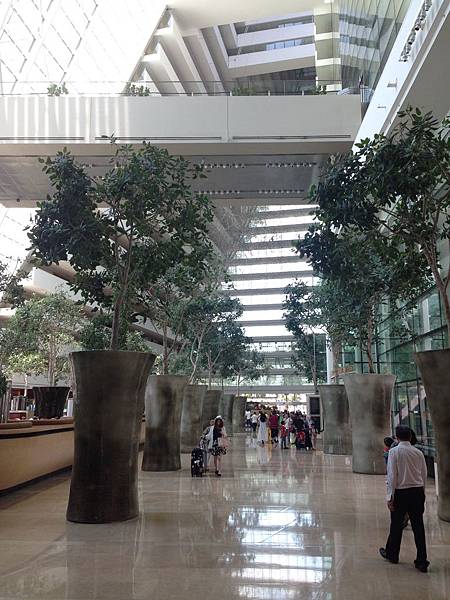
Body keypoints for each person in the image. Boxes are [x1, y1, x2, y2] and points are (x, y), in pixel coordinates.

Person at [379, 425, 429, 572]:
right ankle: (422, 561)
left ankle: (392, 554)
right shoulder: (418, 453)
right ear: (410, 437)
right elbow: (423, 474)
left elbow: (392, 476)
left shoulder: (394, 452)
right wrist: (423, 493)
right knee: (418, 527)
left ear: (397, 437)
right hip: (417, 492)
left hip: (401, 493)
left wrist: (390, 497)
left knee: (396, 525)